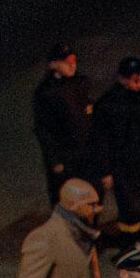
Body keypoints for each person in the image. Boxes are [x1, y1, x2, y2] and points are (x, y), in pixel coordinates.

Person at [89, 56, 140, 223]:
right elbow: (100, 140)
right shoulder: (107, 104)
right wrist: (105, 171)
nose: (136, 79)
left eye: (138, 75)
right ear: (121, 78)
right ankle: (131, 235)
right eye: (131, 76)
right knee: (131, 210)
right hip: (122, 167)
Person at [33, 43, 92, 202]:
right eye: (67, 62)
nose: (72, 66)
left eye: (74, 61)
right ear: (53, 65)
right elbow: (43, 130)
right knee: (66, 200)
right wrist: (54, 161)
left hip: (84, 153)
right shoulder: (46, 93)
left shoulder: (81, 83)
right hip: (64, 157)